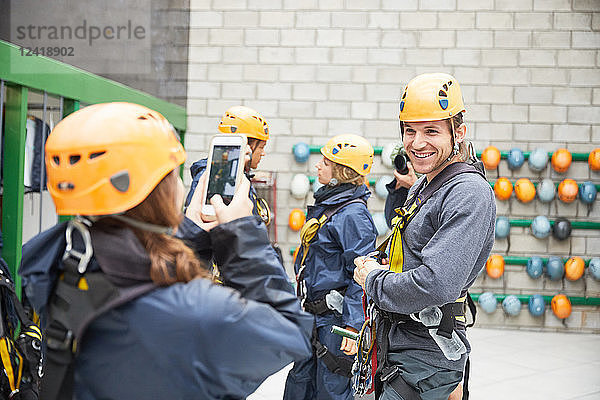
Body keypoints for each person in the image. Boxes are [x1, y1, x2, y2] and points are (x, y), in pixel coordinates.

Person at [19, 102, 313, 400]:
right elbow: (290, 331)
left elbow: (133, 278)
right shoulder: (195, 312)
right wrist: (242, 232)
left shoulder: (60, 264)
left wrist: (190, 235)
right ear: (157, 191)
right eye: (173, 173)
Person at [353, 73, 496, 400]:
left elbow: (436, 284)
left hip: (426, 354)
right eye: (409, 131)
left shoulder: (469, 193)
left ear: (458, 131)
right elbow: (412, 239)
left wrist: (374, 280)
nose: (417, 143)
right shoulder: (427, 182)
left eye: (431, 131)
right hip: (402, 344)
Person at [284, 134, 378, 400]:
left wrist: (352, 324)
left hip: (334, 323)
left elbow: (361, 275)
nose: (318, 166)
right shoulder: (331, 207)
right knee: (299, 385)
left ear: (341, 172)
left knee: (331, 388)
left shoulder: (353, 216)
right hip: (313, 317)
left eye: (325, 162)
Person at [185, 105, 272, 225]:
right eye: (261, 147)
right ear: (247, 146)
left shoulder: (236, 175)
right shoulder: (211, 177)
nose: (263, 153)